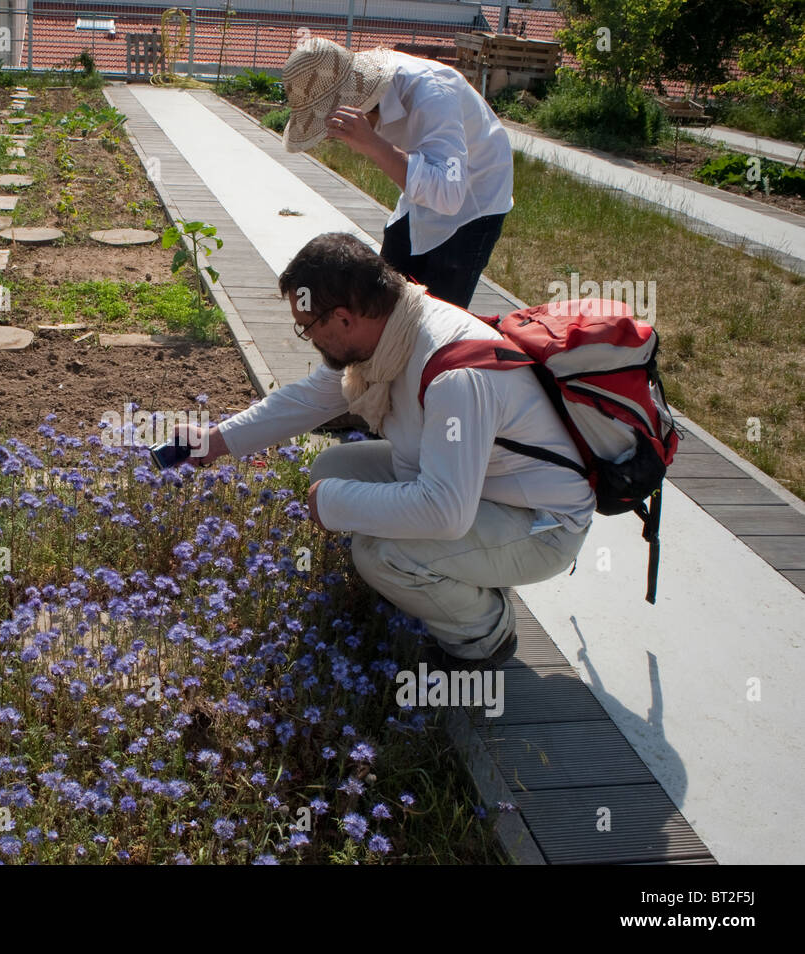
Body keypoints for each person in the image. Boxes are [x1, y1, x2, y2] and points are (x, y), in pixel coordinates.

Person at [187, 233, 595, 665]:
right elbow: (309, 399)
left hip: (541, 528)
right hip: (482, 491)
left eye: (307, 326)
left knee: (380, 553)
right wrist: (213, 441)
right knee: (332, 467)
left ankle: (484, 635)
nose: (307, 339)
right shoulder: (393, 332)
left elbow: (444, 511)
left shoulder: (454, 377)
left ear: (343, 318)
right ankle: (458, 577)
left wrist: (332, 502)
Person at [280, 37, 513, 310]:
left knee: (439, 314)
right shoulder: (352, 81)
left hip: (474, 200)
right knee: (384, 302)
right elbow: (424, 176)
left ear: (355, 103)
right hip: (425, 190)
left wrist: (374, 145)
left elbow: (449, 195)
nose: (332, 136)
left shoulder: (434, 93)